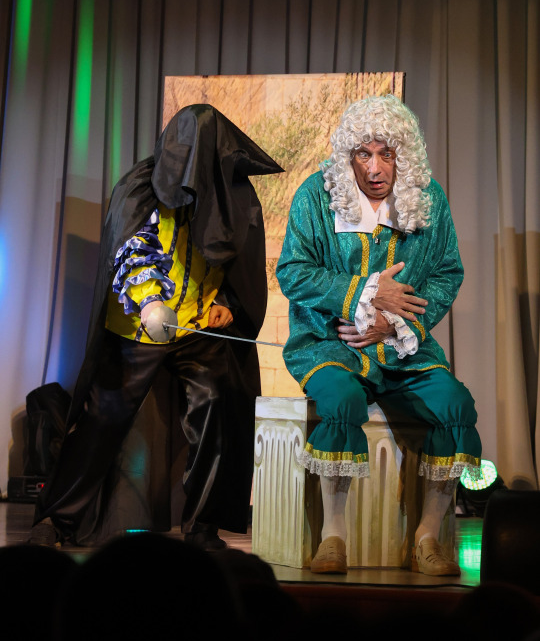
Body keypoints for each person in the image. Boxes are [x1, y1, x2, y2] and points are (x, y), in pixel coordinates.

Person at [29, 104, 283, 549]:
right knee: (102, 418)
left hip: (197, 325)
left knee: (217, 406)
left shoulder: (235, 193)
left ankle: (202, 527)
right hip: (139, 325)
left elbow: (239, 260)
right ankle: (56, 518)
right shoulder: (141, 187)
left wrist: (227, 302)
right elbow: (131, 247)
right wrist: (148, 300)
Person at [276, 94, 482, 576]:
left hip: (404, 349)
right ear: (348, 156)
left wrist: (397, 322)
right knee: (342, 401)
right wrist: (362, 294)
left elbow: (447, 273)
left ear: (402, 156)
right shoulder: (316, 196)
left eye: (385, 154)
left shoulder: (428, 199)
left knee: (456, 406)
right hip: (332, 342)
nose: (374, 168)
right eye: (363, 154)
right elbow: (293, 271)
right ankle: (333, 537)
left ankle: (427, 537)